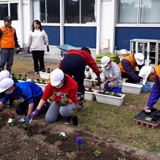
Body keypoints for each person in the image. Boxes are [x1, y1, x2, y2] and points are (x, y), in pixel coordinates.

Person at [59, 47, 101, 112]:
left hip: (65, 62)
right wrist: (98, 76)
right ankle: (81, 107)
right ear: (89, 52)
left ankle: (64, 103)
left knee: (65, 83)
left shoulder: (71, 51)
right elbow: (93, 65)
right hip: (78, 63)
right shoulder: (87, 54)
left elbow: (62, 62)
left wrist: (59, 73)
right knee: (79, 84)